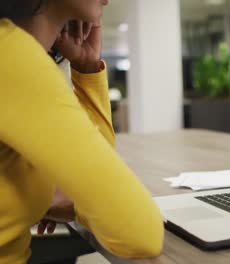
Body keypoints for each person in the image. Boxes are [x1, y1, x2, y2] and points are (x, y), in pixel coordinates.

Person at [0, 1, 164, 263]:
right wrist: (77, 204)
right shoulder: (10, 54)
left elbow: (97, 175)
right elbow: (140, 233)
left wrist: (87, 68)